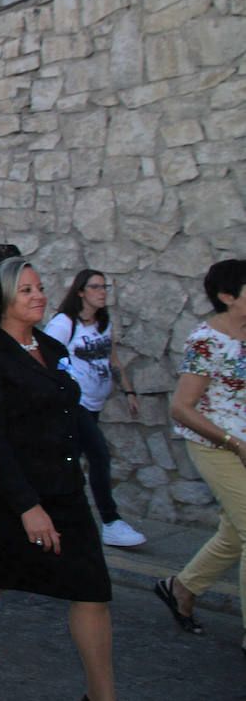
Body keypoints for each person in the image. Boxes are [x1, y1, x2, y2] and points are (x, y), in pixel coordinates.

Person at [0, 246, 115, 701]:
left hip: (64, 489)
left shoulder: (50, 346)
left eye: (39, 288)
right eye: (26, 290)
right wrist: (27, 506)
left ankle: (102, 695)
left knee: (93, 591)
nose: (39, 297)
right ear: (1, 299)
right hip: (8, 495)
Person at [155, 259, 246, 658]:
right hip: (218, 445)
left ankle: (181, 589)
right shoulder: (207, 340)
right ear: (228, 297)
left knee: (234, 533)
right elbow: (182, 407)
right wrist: (236, 444)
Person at [45, 270, 147, 547]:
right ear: (81, 291)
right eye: (95, 287)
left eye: (104, 287)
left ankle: (49, 513)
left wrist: (128, 391)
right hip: (74, 404)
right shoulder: (64, 324)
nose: (102, 292)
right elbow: (45, 358)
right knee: (99, 455)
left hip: (94, 404)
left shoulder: (103, 322)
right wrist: (65, 385)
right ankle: (111, 522)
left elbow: (112, 359)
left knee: (69, 461)